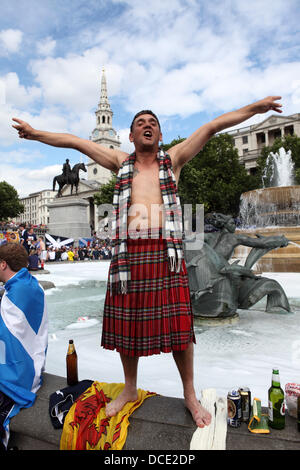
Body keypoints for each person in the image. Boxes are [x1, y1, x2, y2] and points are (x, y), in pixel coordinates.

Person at [12, 95, 283, 428]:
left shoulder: (174, 160)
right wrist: (35, 133)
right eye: (140, 123)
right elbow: (76, 142)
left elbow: (212, 126)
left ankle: (189, 394)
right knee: (129, 325)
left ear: (160, 134)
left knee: (181, 328)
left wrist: (255, 109)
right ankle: (129, 388)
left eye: (152, 122)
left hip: (166, 254)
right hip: (129, 256)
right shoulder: (118, 160)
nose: (147, 125)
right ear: (131, 136)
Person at [0, 242, 48, 449]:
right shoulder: (29, 283)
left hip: (20, 375)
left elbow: (5, 337)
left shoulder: (14, 295)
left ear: (3, 265)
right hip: (34, 365)